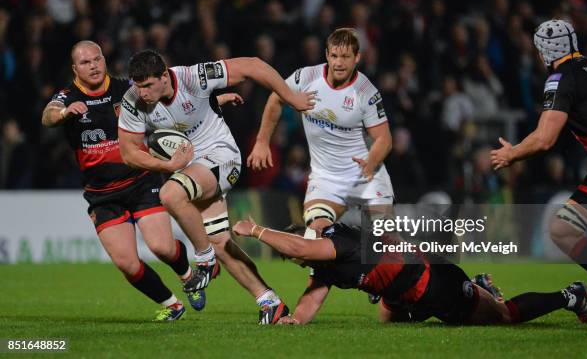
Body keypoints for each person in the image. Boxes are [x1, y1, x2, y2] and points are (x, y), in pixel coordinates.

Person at [117, 50, 315, 324]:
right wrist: (167, 166)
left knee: (170, 194)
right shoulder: (133, 100)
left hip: (222, 158)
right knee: (222, 242)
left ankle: (205, 259)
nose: (142, 93)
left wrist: (291, 97)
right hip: (190, 170)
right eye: (137, 86)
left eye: (148, 85)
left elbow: (253, 65)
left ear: (165, 76)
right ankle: (269, 301)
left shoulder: (193, 78)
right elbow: (128, 153)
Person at [41, 40, 229, 321]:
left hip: (141, 181)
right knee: (127, 264)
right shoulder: (67, 98)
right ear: (74, 68)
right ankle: (172, 305)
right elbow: (47, 116)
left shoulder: (127, 91)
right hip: (102, 193)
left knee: (162, 247)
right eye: (85, 62)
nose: (92, 65)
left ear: (104, 60)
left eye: (97, 59)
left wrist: (215, 101)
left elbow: (168, 106)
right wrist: (64, 113)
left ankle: (188, 275)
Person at [232, 218, 587, 326]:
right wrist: (295, 319)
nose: (298, 262)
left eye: (296, 257)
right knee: (387, 315)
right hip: (406, 292)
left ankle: (570, 295)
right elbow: (312, 298)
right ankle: (479, 286)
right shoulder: (324, 263)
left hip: (435, 284)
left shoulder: (333, 243)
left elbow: (298, 246)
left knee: (505, 317)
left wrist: (257, 232)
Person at [490, 19, 587, 331]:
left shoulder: (561, 77)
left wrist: (512, 153)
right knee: (562, 229)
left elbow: (545, 138)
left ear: (544, 50)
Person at [247, 28, 393, 238]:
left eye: (345, 57)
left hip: (365, 174)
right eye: (334, 56)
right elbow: (276, 99)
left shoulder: (366, 93)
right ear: (326, 54)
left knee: (386, 248)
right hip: (326, 179)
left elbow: (384, 139)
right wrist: (262, 142)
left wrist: (371, 162)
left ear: (357, 57)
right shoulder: (306, 77)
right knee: (315, 235)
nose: (339, 63)